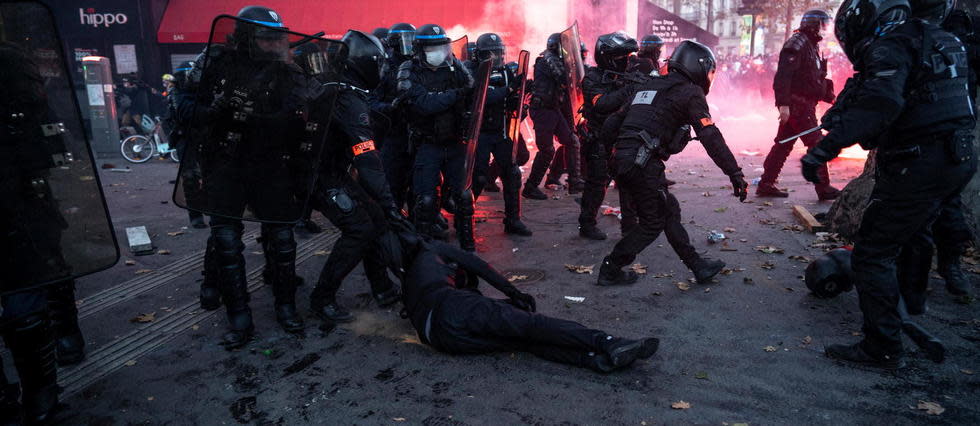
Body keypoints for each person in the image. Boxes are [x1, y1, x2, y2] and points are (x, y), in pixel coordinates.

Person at [802, 0, 976, 368]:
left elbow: (880, 105)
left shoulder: (893, 45)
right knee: (917, 231)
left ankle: (882, 346)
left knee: (872, 252)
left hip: (918, 162)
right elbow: (890, 91)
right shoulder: (943, 40)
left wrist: (824, 150)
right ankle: (912, 304)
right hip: (957, 158)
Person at [187, 6, 314, 347]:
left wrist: (261, 120)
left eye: (278, 38)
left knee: (283, 239)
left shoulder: (288, 71)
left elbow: (299, 115)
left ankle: (286, 307)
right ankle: (239, 317)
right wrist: (214, 112)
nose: (274, 44)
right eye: (266, 38)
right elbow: (183, 108)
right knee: (227, 242)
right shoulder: (215, 62)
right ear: (246, 36)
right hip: (225, 164)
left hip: (269, 163)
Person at [390, 226, 660, 373]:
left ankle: (593, 360)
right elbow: (479, 267)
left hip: (441, 338)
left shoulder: (410, 279)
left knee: (523, 341)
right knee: (533, 326)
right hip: (453, 309)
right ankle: (608, 343)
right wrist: (514, 292)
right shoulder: (432, 250)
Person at [596, 41, 747, 287]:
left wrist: (613, 155)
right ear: (699, 67)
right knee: (652, 222)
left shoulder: (650, 85)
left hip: (624, 159)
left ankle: (697, 265)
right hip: (642, 163)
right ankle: (611, 268)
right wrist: (734, 171)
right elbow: (710, 135)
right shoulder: (690, 92)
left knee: (668, 210)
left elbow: (612, 123)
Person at [306, 30, 404, 323]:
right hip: (317, 175)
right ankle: (321, 299)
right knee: (359, 228)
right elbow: (367, 157)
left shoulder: (334, 83)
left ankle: (382, 288)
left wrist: (382, 205)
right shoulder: (348, 98)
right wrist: (389, 201)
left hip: (327, 169)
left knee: (373, 216)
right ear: (366, 63)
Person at [398, 23, 477, 251]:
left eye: (442, 46)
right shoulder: (409, 70)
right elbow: (424, 104)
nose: (439, 52)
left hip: (455, 142)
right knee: (426, 201)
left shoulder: (455, 67)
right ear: (420, 49)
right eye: (432, 47)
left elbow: (472, 90)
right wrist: (455, 95)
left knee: (464, 197)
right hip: (428, 143)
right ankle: (425, 252)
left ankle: (468, 248)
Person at [758, 10, 840, 200]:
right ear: (814, 25)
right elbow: (783, 76)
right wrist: (784, 105)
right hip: (798, 105)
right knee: (816, 143)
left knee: (783, 144)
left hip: (803, 104)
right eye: (823, 25)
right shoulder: (797, 43)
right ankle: (823, 188)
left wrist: (829, 95)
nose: (825, 29)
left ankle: (766, 183)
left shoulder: (811, 46)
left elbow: (814, 77)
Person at [465, 33, 533, 236]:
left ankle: (513, 220)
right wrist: (510, 89)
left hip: (501, 131)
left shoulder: (505, 72)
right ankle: (465, 220)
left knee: (511, 174)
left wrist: (520, 94)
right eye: (491, 54)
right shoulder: (471, 71)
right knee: (476, 178)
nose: (495, 58)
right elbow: (484, 96)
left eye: (498, 53)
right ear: (480, 55)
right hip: (480, 133)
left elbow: (510, 100)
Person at [577, 32, 639, 241]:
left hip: (620, 138)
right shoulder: (593, 77)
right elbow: (602, 104)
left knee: (628, 181)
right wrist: (629, 89)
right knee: (597, 184)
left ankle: (632, 227)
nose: (627, 61)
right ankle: (587, 223)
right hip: (598, 139)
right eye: (622, 57)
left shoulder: (622, 75)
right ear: (608, 56)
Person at [523, 33, 583, 200]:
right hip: (542, 111)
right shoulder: (546, 61)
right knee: (547, 150)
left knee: (572, 141)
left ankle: (574, 182)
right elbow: (564, 77)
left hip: (553, 109)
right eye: (565, 48)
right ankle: (530, 187)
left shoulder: (558, 61)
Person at [376, 22, 416, 211]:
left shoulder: (420, 65)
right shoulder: (385, 67)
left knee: (419, 184)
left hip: (418, 133)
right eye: (404, 41)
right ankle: (394, 222)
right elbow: (370, 100)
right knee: (392, 183)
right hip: (393, 132)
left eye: (411, 40)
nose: (409, 45)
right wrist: (390, 107)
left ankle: (421, 225)